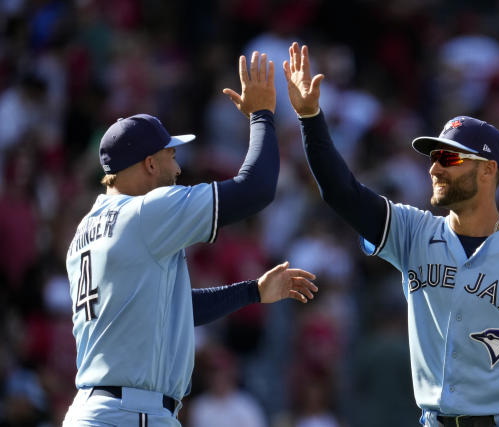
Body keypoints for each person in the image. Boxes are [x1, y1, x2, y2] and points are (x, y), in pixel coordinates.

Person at [283, 42, 499, 427]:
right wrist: (310, 117)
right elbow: (342, 192)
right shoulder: (412, 231)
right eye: (434, 157)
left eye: (451, 158)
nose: (435, 168)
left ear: (489, 170)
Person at [63, 51, 318, 426]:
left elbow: (170, 310)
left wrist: (253, 292)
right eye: (170, 155)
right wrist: (262, 115)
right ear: (150, 164)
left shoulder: (85, 231)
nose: (179, 167)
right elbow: (256, 190)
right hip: (131, 413)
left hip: (95, 411)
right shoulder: (146, 212)